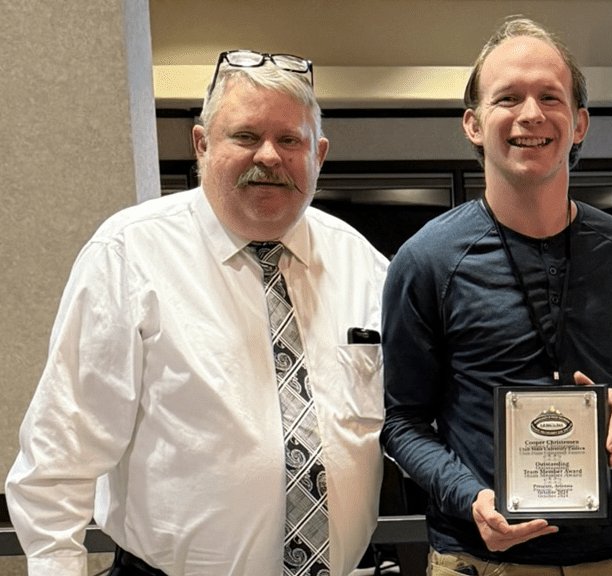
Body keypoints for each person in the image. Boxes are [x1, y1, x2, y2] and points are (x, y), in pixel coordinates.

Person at [5, 50, 389, 576]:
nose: (270, 157)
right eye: (247, 136)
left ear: (318, 154)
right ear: (202, 144)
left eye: (290, 140)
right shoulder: (129, 253)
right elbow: (60, 454)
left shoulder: (365, 266)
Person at [380, 16, 612, 576]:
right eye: (507, 97)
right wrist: (468, 495)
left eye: (550, 97)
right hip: (474, 559)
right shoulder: (426, 260)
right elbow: (402, 422)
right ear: (473, 123)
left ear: (579, 122)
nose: (531, 115)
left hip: (607, 560)